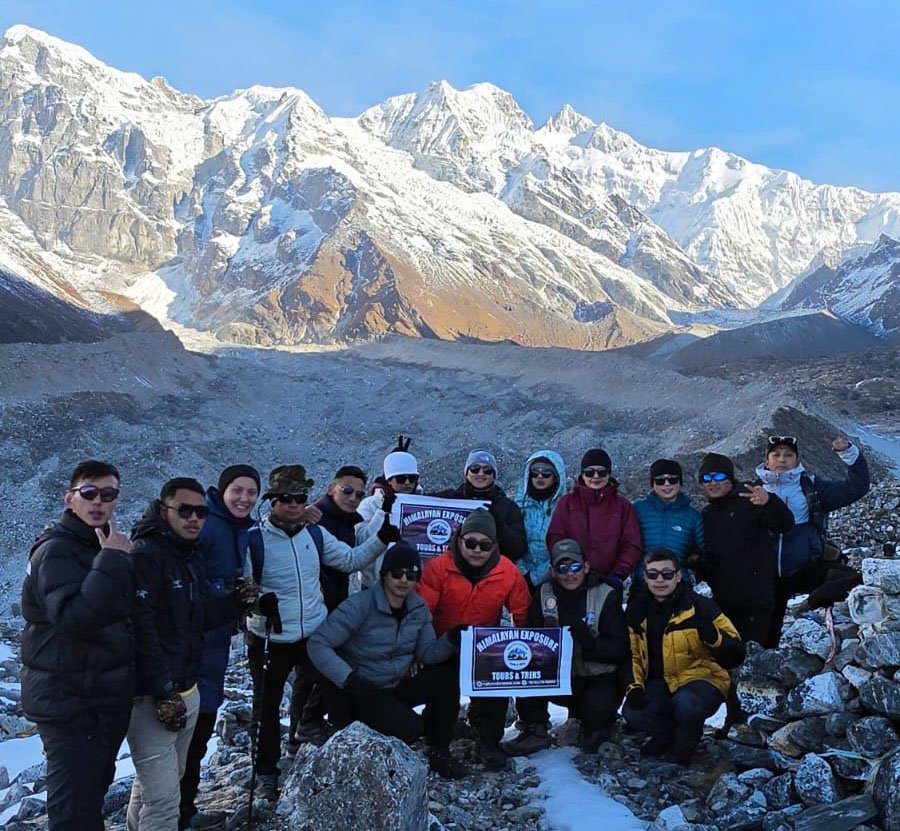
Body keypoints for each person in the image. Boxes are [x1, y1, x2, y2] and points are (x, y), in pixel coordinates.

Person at [245, 464, 397, 801]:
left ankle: (316, 745)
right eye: (286, 498)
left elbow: (348, 560)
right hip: (271, 636)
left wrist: (381, 540)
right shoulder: (253, 540)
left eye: (299, 497)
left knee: (334, 687)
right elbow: (241, 587)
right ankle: (266, 774)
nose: (294, 504)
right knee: (266, 710)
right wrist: (256, 604)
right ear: (272, 501)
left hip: (313, 631)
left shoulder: (314, 534)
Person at [127, 478, 255, 831]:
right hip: (155, 696)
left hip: (187, 688)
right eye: (185, 511)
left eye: (200, 512)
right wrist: (161, 690)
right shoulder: (147, 556)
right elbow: (141, 630)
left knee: (158, 784)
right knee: (164, 800)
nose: (194, 519)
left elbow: (195, 619)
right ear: (164, 509)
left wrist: (236, 602)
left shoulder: (188, 554)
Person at [21, 460, 135, 831]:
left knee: (91, 794)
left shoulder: (101, 545)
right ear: (70, 498)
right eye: (89, 493)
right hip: (67, 698)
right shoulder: (55, 551)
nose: (98, 501)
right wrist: (112, 561)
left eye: (108, 494)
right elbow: (74, 619)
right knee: (74, 809)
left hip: (100, 697)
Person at [307, 542, 465, 779]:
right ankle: (354, 735)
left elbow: (427, 653)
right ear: (384, 575)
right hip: (361, 688)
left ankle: (439, 749)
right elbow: (318, 643)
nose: (404, 581)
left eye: (411, 575)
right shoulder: (359, 605)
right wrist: (348, 678)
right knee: (409, 728)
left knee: (446, 678)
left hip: (395, 683)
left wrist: (451, 639)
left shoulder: (418, 608)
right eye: (397, 574)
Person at [180, 464, 261, 831]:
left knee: (201, 724)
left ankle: (184, 809)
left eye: (251, 492)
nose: (244, 498)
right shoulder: (208, 523)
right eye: (237, 490)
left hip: (215, 642)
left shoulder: (237, 526)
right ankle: (172, 814)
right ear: (223, 491)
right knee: (187, 726)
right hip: (194, 642)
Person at [418, 508, 531, 769]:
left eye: (484, 544)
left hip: (483, 647)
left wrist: (521, 646)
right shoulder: (438, 568)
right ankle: (438, 743)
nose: (476, 550)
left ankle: (488, 742)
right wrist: (419, 650)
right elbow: (421, 614)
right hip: (443, 644)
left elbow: (521, 611)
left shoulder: (508, 572)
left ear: (494, 546)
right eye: (470, 542)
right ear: (459, 540)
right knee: (443, 689)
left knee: (496, 687)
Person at [696, 452, 793, 732]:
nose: (712, 483)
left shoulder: (750, 499)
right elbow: (714, 558)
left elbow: (784, 523)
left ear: (730, 478)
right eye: (706, 478)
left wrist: (769, 502)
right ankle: (735, 721)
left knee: (754, 663)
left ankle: (760, 724)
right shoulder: (707, 514)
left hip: (757, 601)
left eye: (718, 476)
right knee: (729, 664)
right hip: (725, 603)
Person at [504, 539, 628, 756]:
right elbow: (529, 639)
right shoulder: (543, 595)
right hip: (555, 675)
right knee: (521, 669)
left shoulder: (606, 594)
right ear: (552, 570)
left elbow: (619, 649)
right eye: (562, 568)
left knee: (597, 718)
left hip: (595, 674)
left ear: (586, 567)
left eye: (575, 567)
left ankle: (597, 725)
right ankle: (535, 728)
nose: (569, 574)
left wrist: (588, 641)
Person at [622, 549, 745, 766]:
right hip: (660, 680)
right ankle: (666, 736)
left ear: (678, 576)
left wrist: (715, 638)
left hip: (703, 678)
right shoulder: (636, 610)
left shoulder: (701, 607)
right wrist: (634, 686)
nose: (660, 580)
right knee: (633, 712)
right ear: (644, 576)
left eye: (667, 574)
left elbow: (737, 653)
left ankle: (683, 749)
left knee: (687, 705)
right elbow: (632, 654)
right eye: (653, 574)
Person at [755, 435, 870, 648]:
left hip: (805, 569)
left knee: (856, 580)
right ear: (766, 460)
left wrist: (849, 453)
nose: (782, 459)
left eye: (788, 455)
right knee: (764, 638)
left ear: (797, 461)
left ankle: (812, 604)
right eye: (776, 454)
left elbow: (857, 487)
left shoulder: (812, 488)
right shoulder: (753, 491)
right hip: (764, 575)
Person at [288, 464, 369, 748]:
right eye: (347, 490)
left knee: (317, 668)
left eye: (359, 494)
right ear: (330, 488)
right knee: (312, 669)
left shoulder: (346, 521)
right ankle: (301, 728)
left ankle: (302, 728)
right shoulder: (314, 519)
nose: (352, 498)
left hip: (334, 603)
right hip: (313, 607)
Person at [546, 448, 642, 591]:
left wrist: (618, 574)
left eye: (601, 472)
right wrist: (570, 569)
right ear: (582, 474)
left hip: (609, 582)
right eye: (590, 472)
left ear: (609, 474)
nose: (595, 476)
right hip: (572, 580)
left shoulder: (622, 506)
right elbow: (556, 538)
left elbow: (631, 544)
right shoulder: (567, 503)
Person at [433, 450, 527, 562]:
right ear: (466, 473)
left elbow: (518, 550)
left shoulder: (508, 507)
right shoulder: (448, 498)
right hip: (452, 568)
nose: (481, 473)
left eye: (487, 470)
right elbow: (414, 502)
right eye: (475, 469)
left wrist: (499, 525)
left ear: (494, 476)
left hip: (492, 571)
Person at [357, 448, 423, 586]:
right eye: (401, 478)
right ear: (389, 479)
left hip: (410, 582)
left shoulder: (423, 503)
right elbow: (361, 540)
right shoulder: (369, 504)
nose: (407, 483)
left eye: (412, 478)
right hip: (374, 584)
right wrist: (382, 513)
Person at [633, 459, 704, 579]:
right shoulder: (638, 510)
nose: (666, 484)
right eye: (660, 480)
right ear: (653, 483)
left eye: (672, 479)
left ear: (680, 482)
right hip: (643, 583)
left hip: (678, 583)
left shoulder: (693, 516)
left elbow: (703, 550)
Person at [514, 450, 567, 592]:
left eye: (546, 473)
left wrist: (537, 576)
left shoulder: (565, 508)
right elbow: (511, 541)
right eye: (534, 472)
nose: (539, 476)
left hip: (557, 578)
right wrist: (523, 573)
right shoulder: (517, 506)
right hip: (521, 578)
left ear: (556, 476)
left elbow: (566, 545)